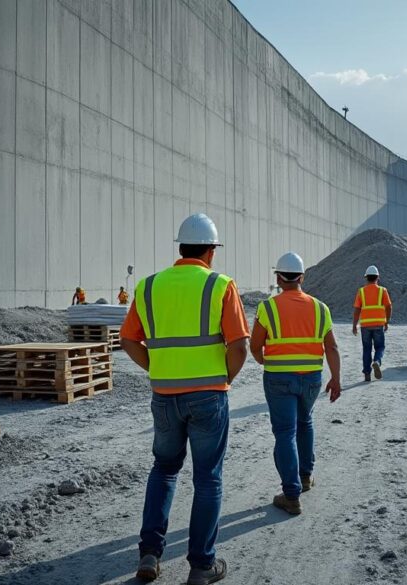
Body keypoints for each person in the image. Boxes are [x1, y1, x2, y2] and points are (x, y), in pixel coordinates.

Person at [120, 213, 249, 585]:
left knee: (163, 469)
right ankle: (201, 566)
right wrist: (224, 378)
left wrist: (156, 368)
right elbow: (239, 345)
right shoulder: (219, 285)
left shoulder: (148, 286)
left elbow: (129, 339)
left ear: (180, 248)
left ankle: (149, 554)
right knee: (208, 479)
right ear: (211, 250)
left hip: (164, 396)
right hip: (209, 396)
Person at [250, 252, 342, 515]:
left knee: (285, 433)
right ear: (302, 277)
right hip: (311, 378)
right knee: (305, 423)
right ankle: (305, 476)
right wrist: (336, 378)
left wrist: (263, 360)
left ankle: (291, 494)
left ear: (278, 278)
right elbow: (332, 346)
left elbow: (255, 345)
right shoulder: (320, 307)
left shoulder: (267, 307)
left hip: (279, 378)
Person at [352, 265, 392, 382]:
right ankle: (377, 362)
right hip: (378, 324)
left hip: (365, 326)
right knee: (380, 347)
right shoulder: (382, 291)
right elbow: (389, 307)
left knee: (366, 349)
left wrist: (354, 325)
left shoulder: (361, 291)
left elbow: (356, 309)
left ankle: (367, 374)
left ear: (366, 278)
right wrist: (387, 321)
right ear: (377, 277)